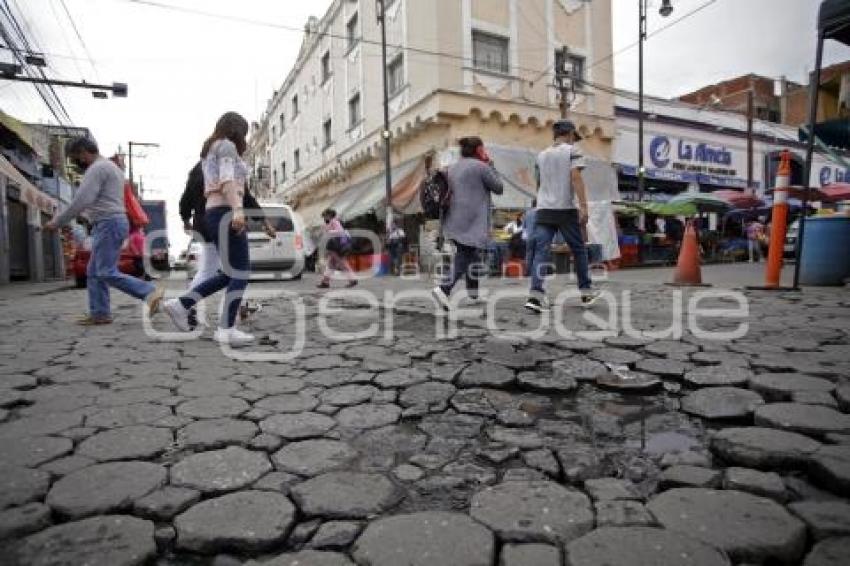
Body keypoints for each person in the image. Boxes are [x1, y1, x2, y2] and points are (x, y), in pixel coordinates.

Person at [45, 137, 164, 325]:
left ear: (84, 152)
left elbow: (82, 200)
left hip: (109, 223)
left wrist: (58, 221)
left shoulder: (97, 169)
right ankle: (100, 313)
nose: (75, 162)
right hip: (111, 222)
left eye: (75, 156)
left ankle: (149, 292)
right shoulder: (111, 167)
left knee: (105, 271)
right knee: (94, 271)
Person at [163, 112, 255, 345]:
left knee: (229, 273)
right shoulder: (225, 146)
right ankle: (226, 328)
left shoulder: (211, 148)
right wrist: (237, 209)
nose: (244, 137)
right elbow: (226, 180)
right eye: (243, 132)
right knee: (240, 270)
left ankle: (181, 304)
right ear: (236, 130)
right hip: (225, 212)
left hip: (215, 213)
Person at [179, 160, 275, 328]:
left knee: (218, 269)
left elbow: (186, 197)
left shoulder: (197, 169)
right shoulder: (226, 163)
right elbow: (243, 196)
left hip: (203, 222)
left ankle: (232, 308)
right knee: (231, 268)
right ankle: (187, 306)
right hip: (224, 219)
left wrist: (185, 218)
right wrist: (263, 220)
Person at [525, 120, 600, 313]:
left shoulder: (541, 155)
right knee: (579, 249)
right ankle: (586, 291)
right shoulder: (572, 151)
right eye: (574, 137)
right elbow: (576, 177)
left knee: (541, 251)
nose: (574, 141)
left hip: (544, 208)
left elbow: (538, 183)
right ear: (570, 134)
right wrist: (583, 207)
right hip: (564, 208)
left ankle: (535, 295)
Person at [432, 137, 504, 309]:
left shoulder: (453, 167)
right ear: (479, 150)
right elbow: (499, 188)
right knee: (465, 255)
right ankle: (444, 288)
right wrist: (490, 164)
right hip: (471, 221)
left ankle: (473, 294)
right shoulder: (481, 167)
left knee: (473, 255)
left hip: (453, 219)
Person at [318, 208, 357, 288]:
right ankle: (325, 282)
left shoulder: (335, 221)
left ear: (329, 215)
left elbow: (340, 231)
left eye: (325, 216)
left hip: (336, 246)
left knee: (341, 263)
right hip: (333, 246)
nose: (324, 218)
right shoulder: (330, 222)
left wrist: (328, 232)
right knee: (331, 264)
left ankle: (352, 279)